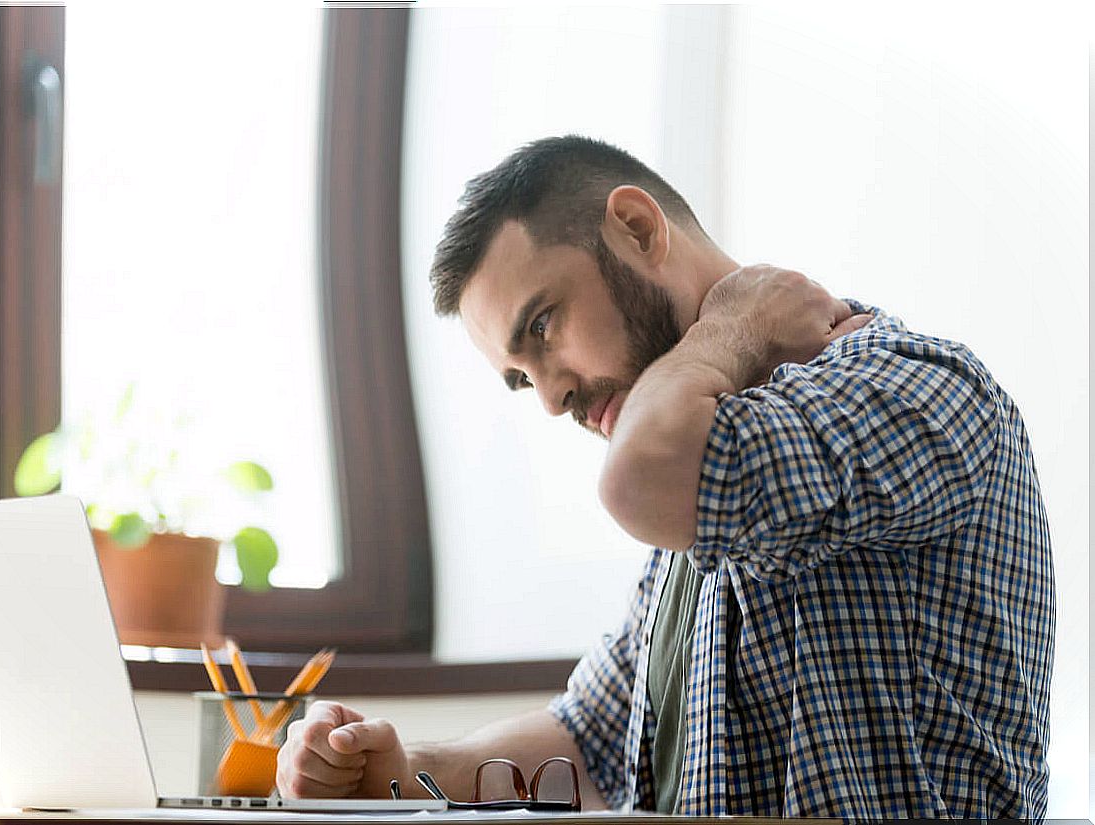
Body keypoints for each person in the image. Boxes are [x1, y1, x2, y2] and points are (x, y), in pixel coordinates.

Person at [276, 136, 1054, 819]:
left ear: (639, 228)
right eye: (522, 377)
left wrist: (731, 325)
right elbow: (590, 737)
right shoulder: (692, 497)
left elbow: (641, 479)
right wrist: (398, 769)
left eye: (543, 326)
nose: (552, 396)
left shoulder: (911, 384)